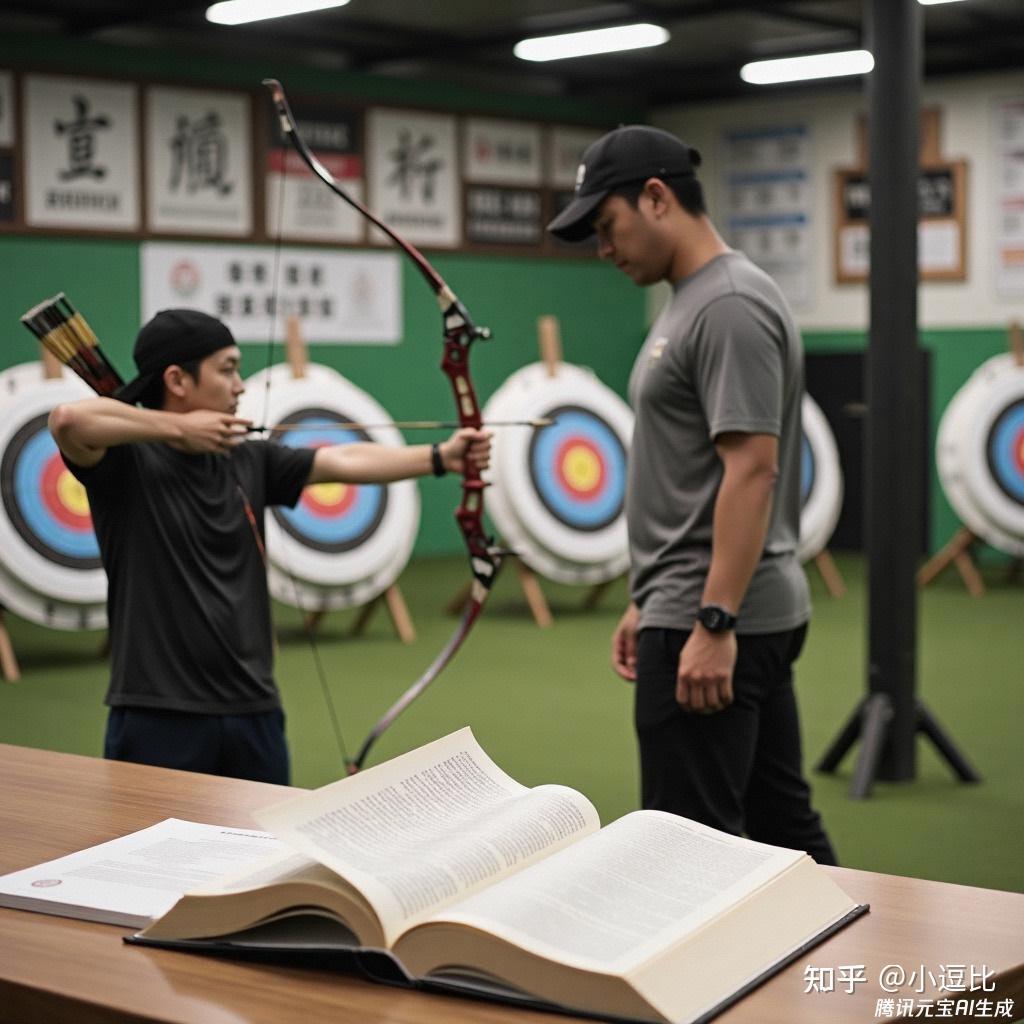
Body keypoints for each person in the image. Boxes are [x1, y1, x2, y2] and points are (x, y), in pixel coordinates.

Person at [548, 125, 836, 864]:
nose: (604, 250)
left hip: (715, 617)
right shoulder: (696, 300)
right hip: (699, 602)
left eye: (607, 227)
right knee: (779, 826)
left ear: (656, 197)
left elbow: (752, 470)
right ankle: (852, 977)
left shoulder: (728, 304)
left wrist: (710, 619)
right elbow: (694, 474)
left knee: (687, 851)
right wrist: (651, 598)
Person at [48, 308, 491, 786]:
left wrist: (438, 457)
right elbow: (70, 419)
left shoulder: (247, 458)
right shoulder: (124, 462)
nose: (240, 385)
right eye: (227, 368)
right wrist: (178, 429)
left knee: (263, 856)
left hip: (254, 708)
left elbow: (341, 459)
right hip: (159, 712)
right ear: (177, 380)